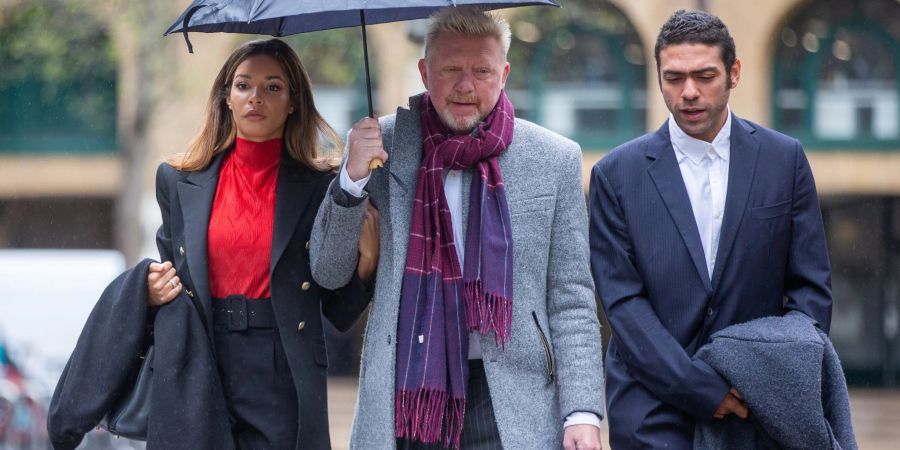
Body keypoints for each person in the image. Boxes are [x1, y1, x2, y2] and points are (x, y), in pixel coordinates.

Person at [310, 7, 604, 450]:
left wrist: (583, 411)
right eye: (451, 69)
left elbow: (572, 298)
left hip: (512, 395)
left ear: (504, 73)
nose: (466, 86)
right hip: (409, 390)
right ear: (425, 72)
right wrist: (350, 181)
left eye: (481, 70)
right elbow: (328, 272)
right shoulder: (380, 147)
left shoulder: (554, 159)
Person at [588, 10, 832, 448]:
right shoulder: (615, 175)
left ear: (734, 73)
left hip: (759, 408)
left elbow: (811, 289)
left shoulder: (785, 160)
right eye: (674, 78)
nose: (689, 93)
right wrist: (701, 389)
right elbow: (623, 304)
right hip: (652, 411)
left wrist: (778, 373)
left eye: (705, 75)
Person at [122, 39, 375, 449]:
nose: (256, 97)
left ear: (293, 101)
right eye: (243, 85)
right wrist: (150, 292)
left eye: (273, 87)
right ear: (226, 97)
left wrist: (366, 261)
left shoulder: (320, 186)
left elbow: (337, 309)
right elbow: (176, 284)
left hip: (282, 366)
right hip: (200, 361)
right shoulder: (176, 179)